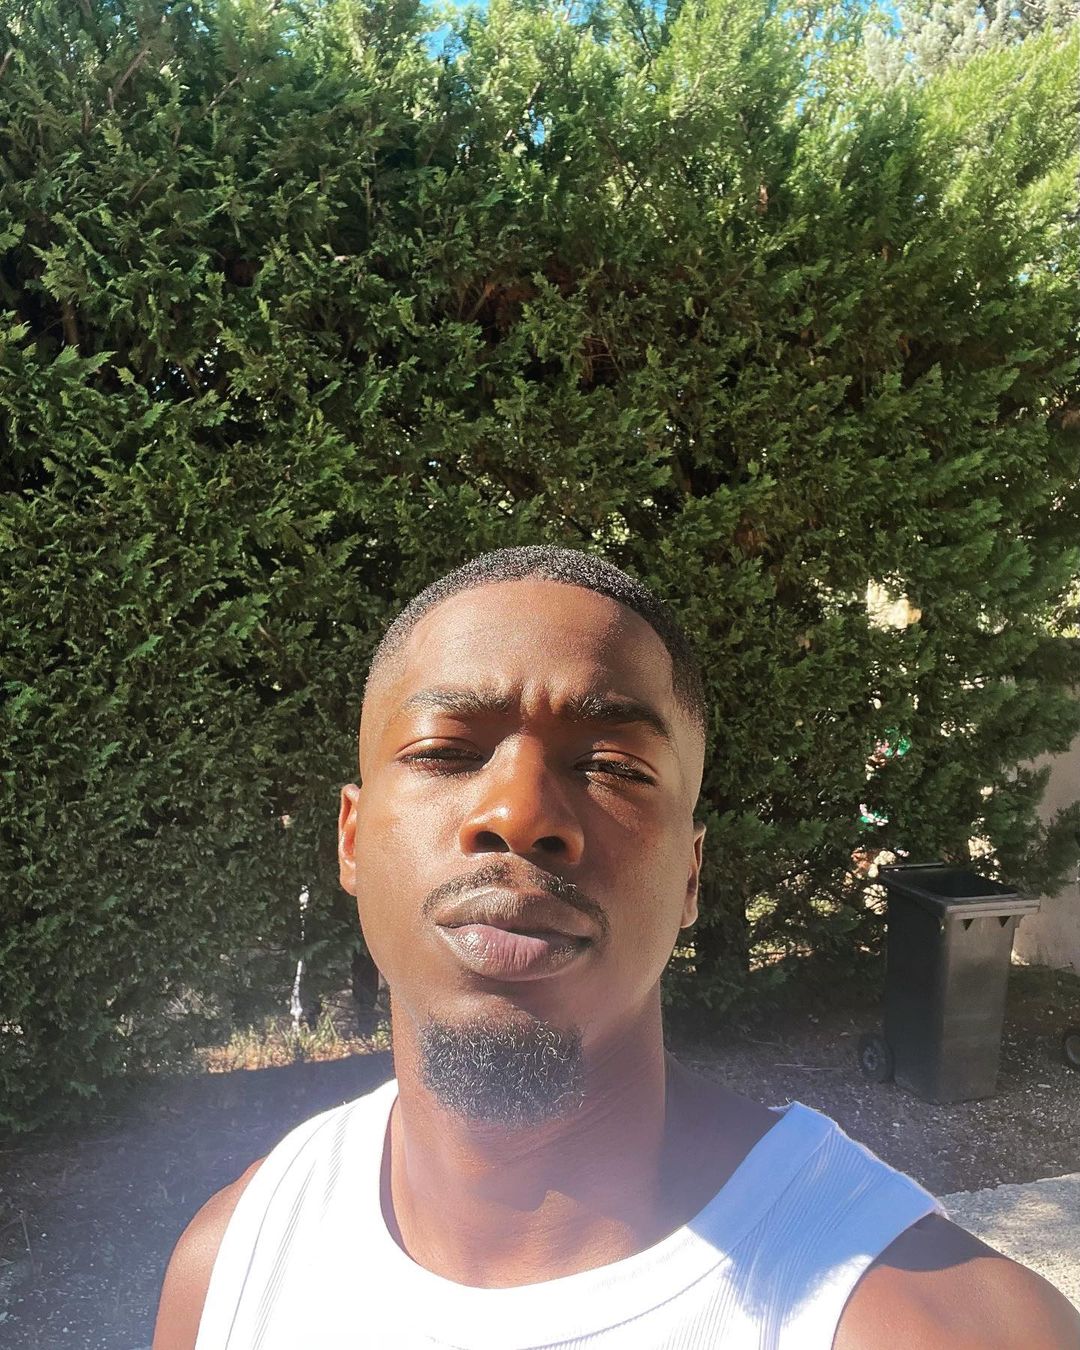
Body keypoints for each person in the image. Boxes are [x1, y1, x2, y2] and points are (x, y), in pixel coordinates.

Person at [153, 546, 1080, 1350]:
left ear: (691, 875)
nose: (518, 813)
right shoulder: (231, 1268)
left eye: (612, 766)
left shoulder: (938, 1325)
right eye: (446, 751)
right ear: (352, 840)